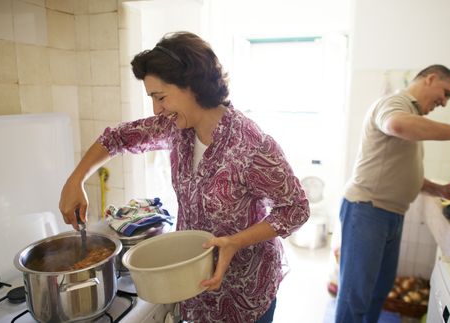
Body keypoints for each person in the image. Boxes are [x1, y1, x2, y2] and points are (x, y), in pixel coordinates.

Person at [59, 31, 310, 323]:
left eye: (160, 97)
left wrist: (236, 241)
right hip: (195, 285)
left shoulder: (251, 146)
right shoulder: (174, 127)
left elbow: (296, 208)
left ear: (192, 85)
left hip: (245, 293)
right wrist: (75, 179)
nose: (157, 109)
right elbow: (117, 138)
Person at [334, 64, 450, 323]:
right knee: (355, 296)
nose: (444, 102)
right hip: (367, 210)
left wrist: (440, 189)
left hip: (390, 215)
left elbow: (402, 173)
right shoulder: (395, 103)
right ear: (430, 78)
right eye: (445, 93)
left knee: (379, 291)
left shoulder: (412, 115)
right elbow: (396, 125)